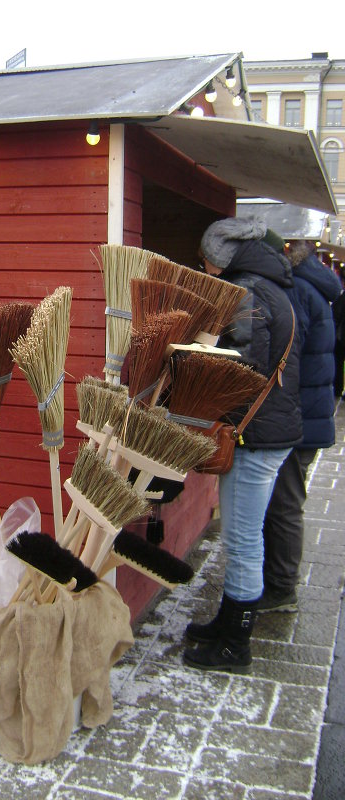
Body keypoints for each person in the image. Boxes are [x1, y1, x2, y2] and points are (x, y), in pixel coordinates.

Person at [183, 217, 302, 674]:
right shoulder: (275, 287)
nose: (206, 269)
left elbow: (243, 368)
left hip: (256, 435)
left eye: (206, 261)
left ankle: (235, 645)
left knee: (242, 539)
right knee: (243, 536)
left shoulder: (247, 291)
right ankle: (225, 623)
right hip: (272, 430)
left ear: (220, 258)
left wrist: (195, 356)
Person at [260, 238, 342, 612]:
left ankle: (281, 589)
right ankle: (277, 582)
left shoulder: (296, 291)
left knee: (284, 504)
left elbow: (285, 359)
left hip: (298, 418)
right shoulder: (311, 285)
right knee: (285, 502)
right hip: (308, 412)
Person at [332, 269, 345, 398]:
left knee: (339, 364)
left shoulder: (341, 299)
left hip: (341, 339)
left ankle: (338, 389)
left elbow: (335, 317)